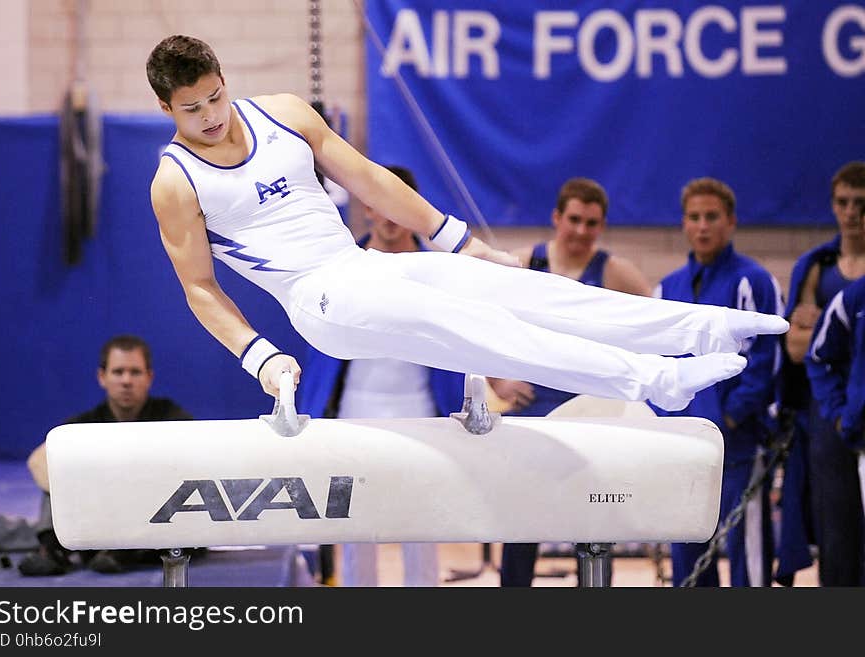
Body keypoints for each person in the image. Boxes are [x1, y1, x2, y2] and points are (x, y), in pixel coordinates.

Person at [145, 35, 788, 431]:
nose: (209, 117)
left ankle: (698, 328)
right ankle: (650, 380)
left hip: (362, 269)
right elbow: (200, 288)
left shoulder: (283, 113)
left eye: (215, 98)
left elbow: (370, 180)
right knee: (477, 329)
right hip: (318, 302)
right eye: (191, 109)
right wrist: (260, 356)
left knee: (522, 291)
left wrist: (457, 239)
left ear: (225, 80)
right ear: (167, 109)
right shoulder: (175, 183)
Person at [296, 165, 465, 586]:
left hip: (424, 412)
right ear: (367, 209)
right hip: (356, 410)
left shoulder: (439, 276)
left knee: (423, 525)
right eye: (379, 207)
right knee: (356, 526)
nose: (389, 219)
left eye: (397, 209)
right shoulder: (338, 267)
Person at [495, 177, 651, 587]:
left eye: (592, 223)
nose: (582, 231)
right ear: (556, 218)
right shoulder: (523, 263)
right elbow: (479, 328)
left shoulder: (615, 272)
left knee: (595, 520)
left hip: (591, 415)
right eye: (575, 220)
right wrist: (499, 381)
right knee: (521, 522)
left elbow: (656, 332)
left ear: (602, 226)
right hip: (533, 409)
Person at [653, 177, 783, 587]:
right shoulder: (667, 288)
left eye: (712, 217)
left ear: (731, 222)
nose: (702, 226)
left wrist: (731, 416)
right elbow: (655, 361)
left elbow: (766, 360)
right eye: (694, 217)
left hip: (738, 443)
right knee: (689, 555)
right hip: (685, 446)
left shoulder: (753, 281)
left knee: (748, 554)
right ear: (684, 224)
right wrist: (665, 419)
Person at [18, 335, 193, 576]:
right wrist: (91, 491)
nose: (126, 381)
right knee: (59, 468)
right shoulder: (84, 425)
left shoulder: (171, 417)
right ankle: (52, 551)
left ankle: (123, 551)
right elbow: (38, 461)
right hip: (99, 516)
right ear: (102, 377)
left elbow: (192, 464)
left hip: (152, 522)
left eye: (135, 372)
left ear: (149, 377)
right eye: (118, 372)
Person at [777, 162, 865, 586]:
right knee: (836, 526)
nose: (851, 213)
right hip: (828, 409)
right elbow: (795, 350)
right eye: (843, 203)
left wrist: (823, 334)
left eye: (860, 204)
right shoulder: (816, 267)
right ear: (832, 205)